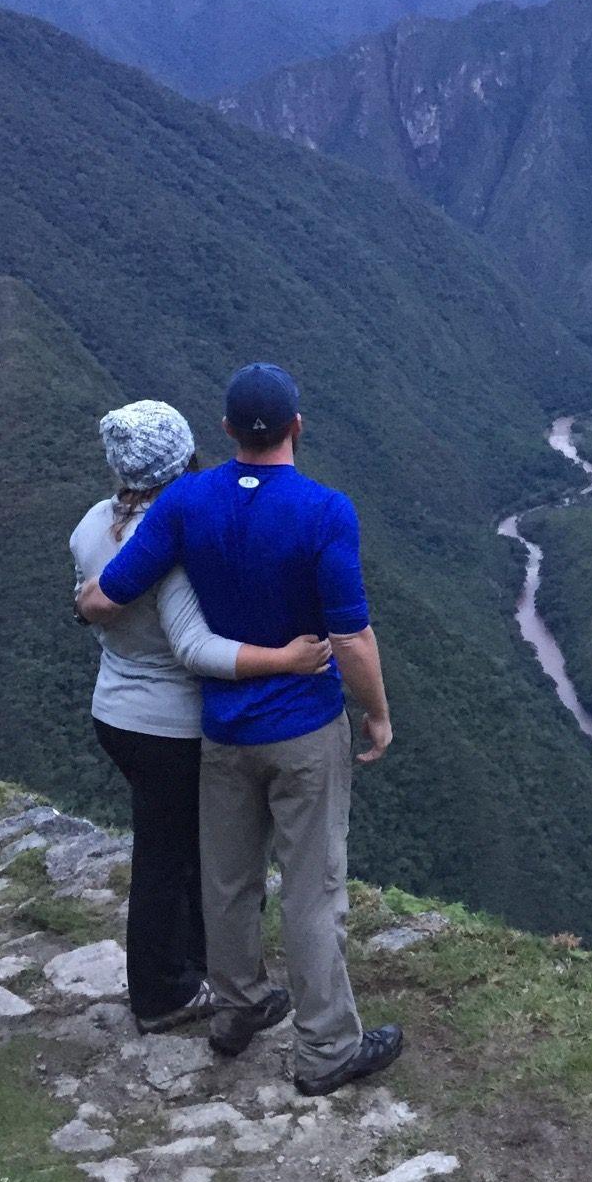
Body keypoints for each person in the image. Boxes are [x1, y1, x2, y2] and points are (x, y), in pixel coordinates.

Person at [75, 364, 404, 1096]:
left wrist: (84, 600)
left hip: (222, 732)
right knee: (312, 890)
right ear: (297, 427)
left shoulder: (187, 500)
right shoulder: (325, 511)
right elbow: (350, 638)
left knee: (227, 882)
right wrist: (376, 713)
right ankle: (325, 1052)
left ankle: (236, 1009)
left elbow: (113, 592)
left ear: (226, 431)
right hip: (304, 729)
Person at [70, 399, 333, 1036]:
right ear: (186, 460)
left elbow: (87, 602)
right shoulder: (172, 543)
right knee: (174, 859)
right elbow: (194, 649)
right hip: (170, 725)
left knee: (174, 849)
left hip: (116, 712)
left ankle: (197, 971)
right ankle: (163, 993)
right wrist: (287, 659)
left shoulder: (93, 524)